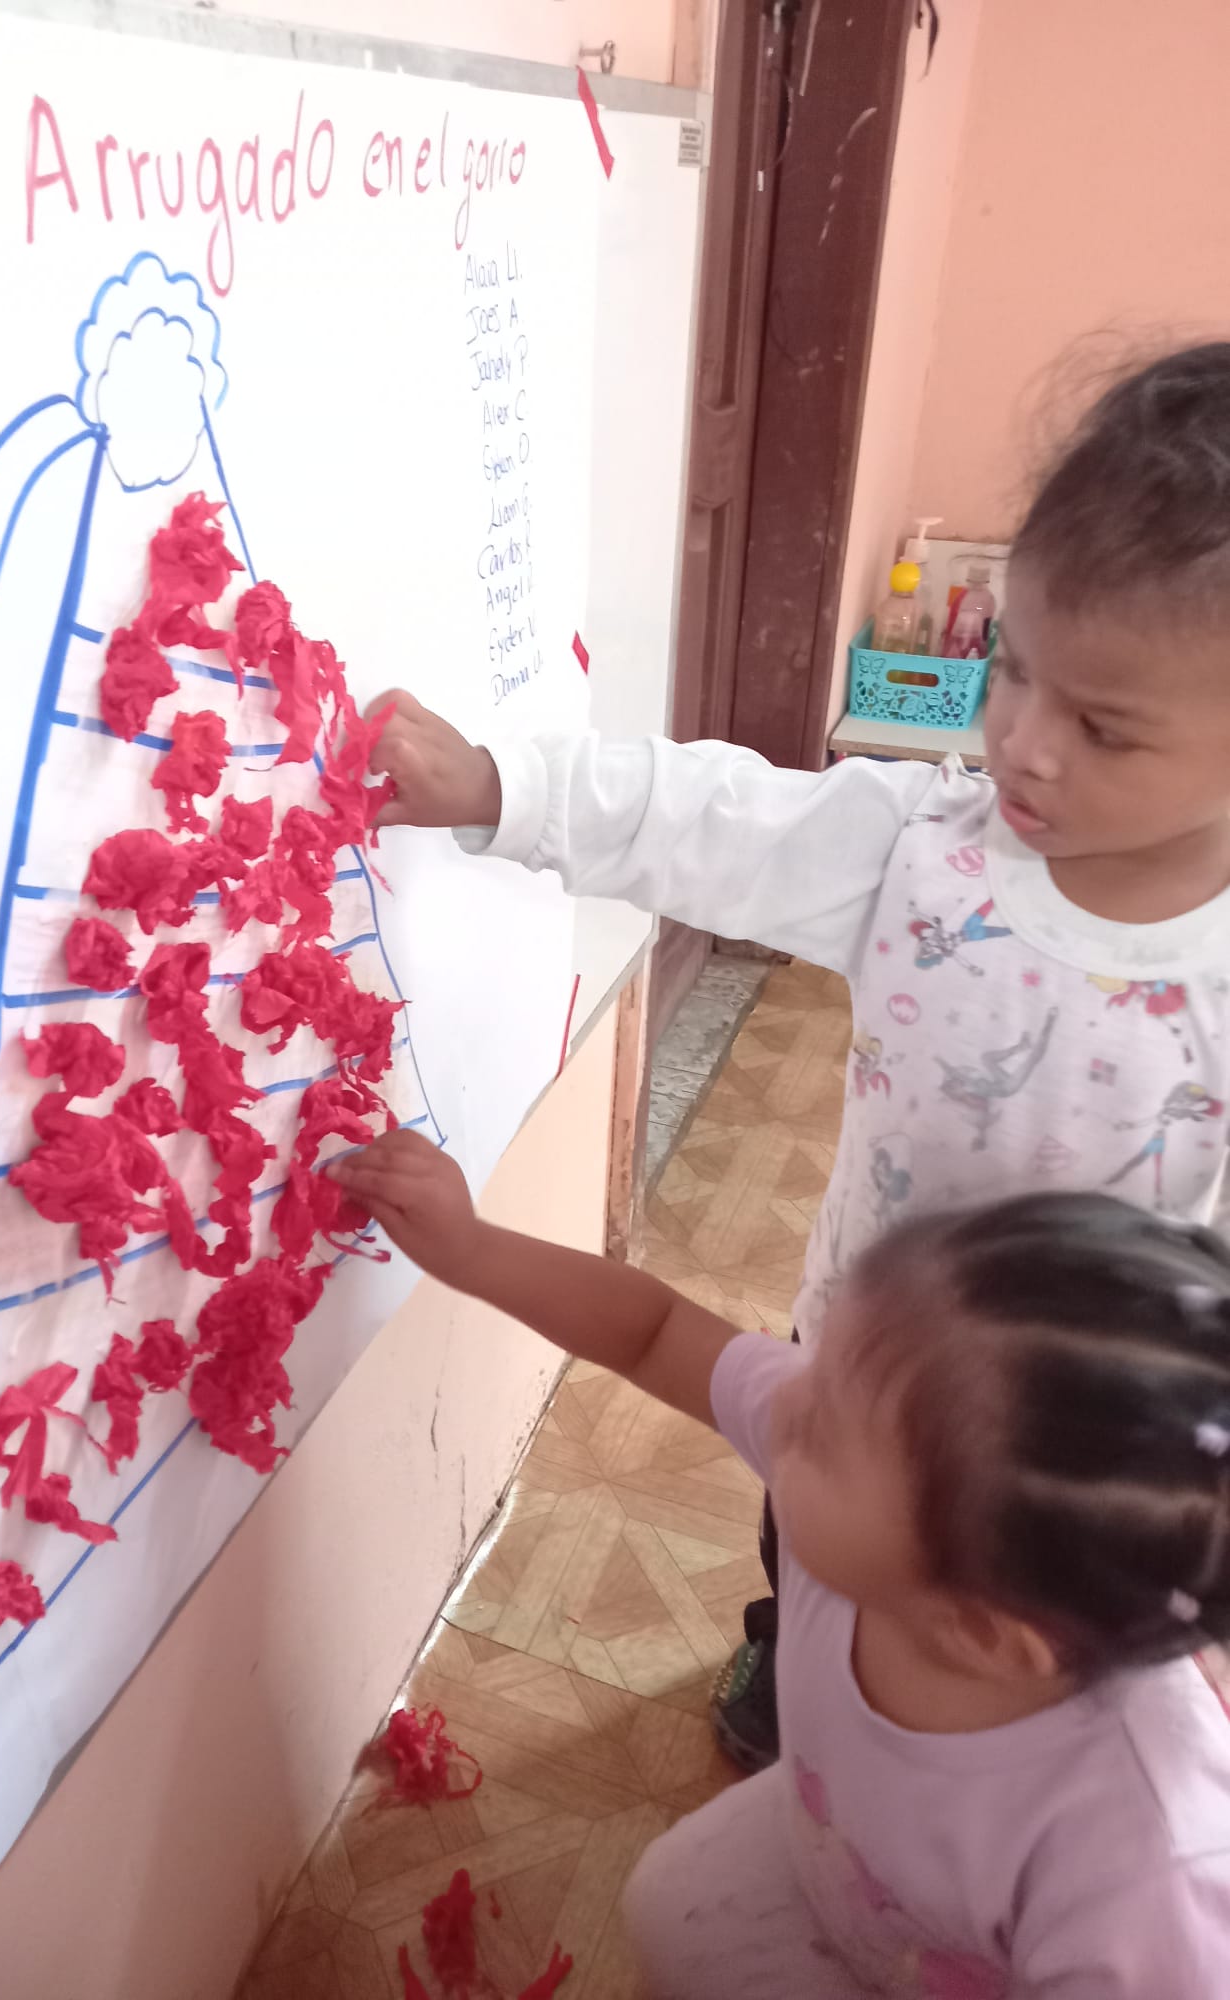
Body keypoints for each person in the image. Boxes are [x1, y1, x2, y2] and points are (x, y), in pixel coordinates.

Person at [363, 344, 1230, 1769]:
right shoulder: (930, 850)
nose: (1022, 744)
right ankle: (796, 1655)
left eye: (1104, 726)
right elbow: (713, 819)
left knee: (1039, 1692)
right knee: (819, 1541)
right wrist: (499, 786)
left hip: (1090, 1458)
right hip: (861, 1371)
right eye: (1012, 669)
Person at [330, 1137, 1230, 1995]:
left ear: (978, 1628)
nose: (784, 1399)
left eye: (822, 1428)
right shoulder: (895, 1501)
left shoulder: (1148, 1883)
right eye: (820, 1364)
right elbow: (656, 1332)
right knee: (665, 1906)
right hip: (838, 1838)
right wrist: (468, 1246)